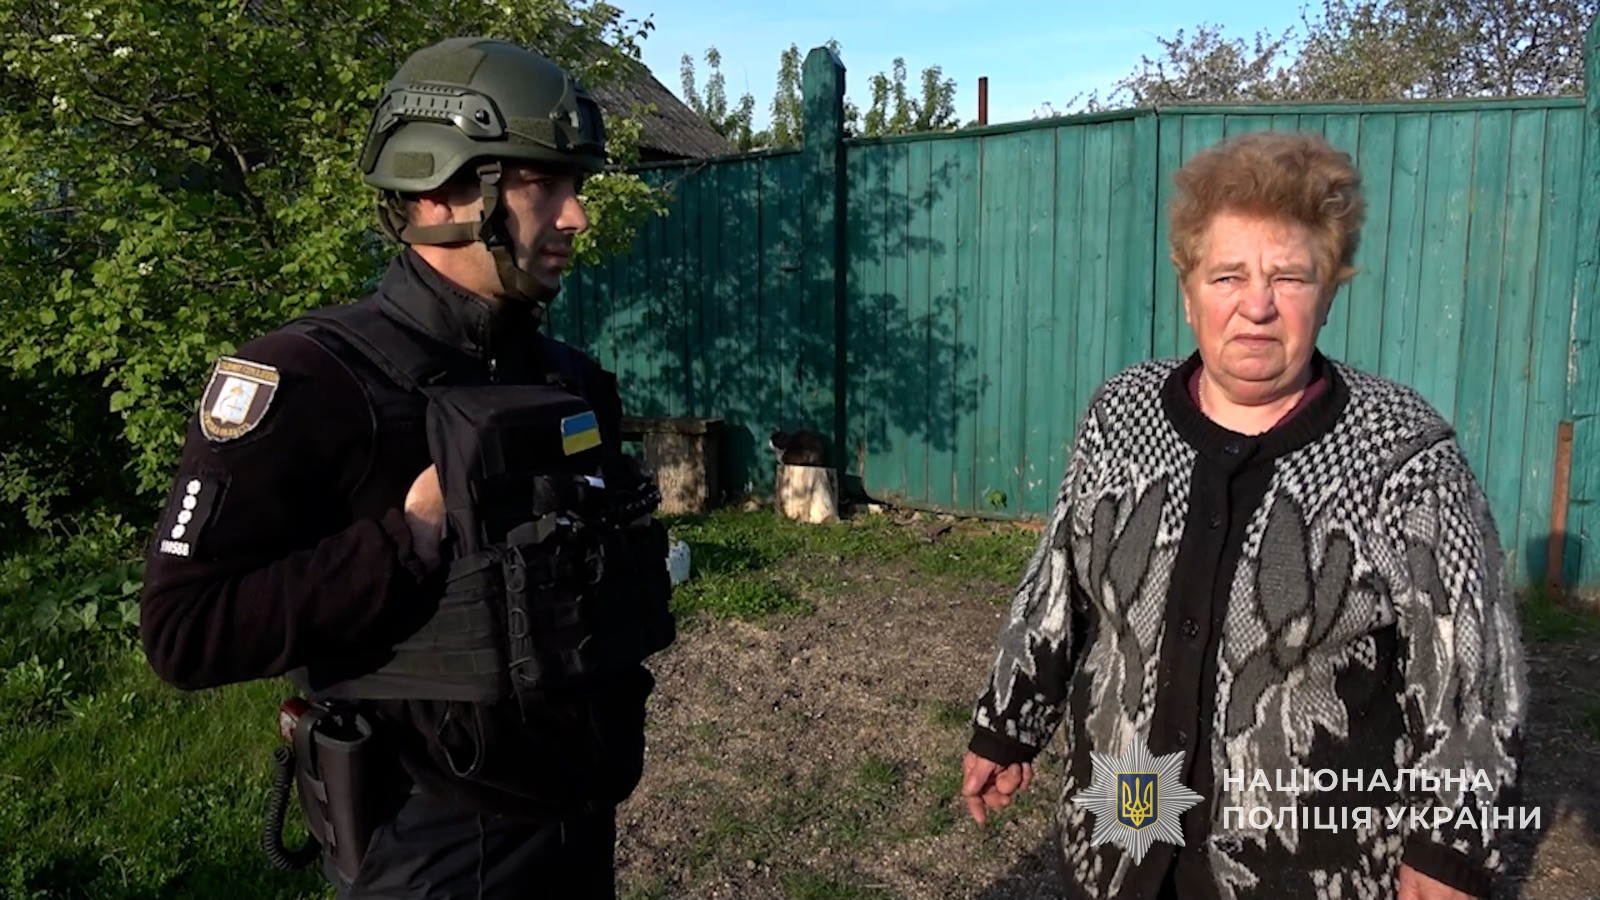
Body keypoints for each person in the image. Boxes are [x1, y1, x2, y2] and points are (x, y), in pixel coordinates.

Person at [139, 36, 674, 899]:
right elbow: (183, 633)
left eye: (575, 185)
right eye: (544, 184)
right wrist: (410, 538)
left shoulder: (568, 380)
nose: (575, 216)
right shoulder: (310, 379)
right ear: (437, 188)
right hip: (428, 842)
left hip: (577, 817)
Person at [959, 131, 1527, 900]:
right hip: (1125, 830)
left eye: (1289, 276)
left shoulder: (1404, 450)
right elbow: (1057, 581)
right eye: (1227, 275)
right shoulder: (1121, 415)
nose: (1257, 305)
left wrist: (1448, 848)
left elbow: (1472, 665)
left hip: (1305, 865)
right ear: (1188, 291)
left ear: (1329, 292)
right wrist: (1009, 722)